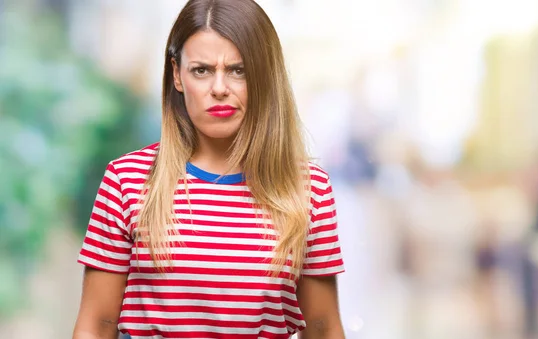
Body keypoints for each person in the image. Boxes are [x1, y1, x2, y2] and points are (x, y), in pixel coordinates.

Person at [71, 1, 345, 338]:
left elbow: (323, 328)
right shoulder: (127, 180)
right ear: (177, 74)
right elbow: (96, 324)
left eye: (238, 70)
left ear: (264, 76)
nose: (219, 88)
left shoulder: (308, 188)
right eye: (202, 70)